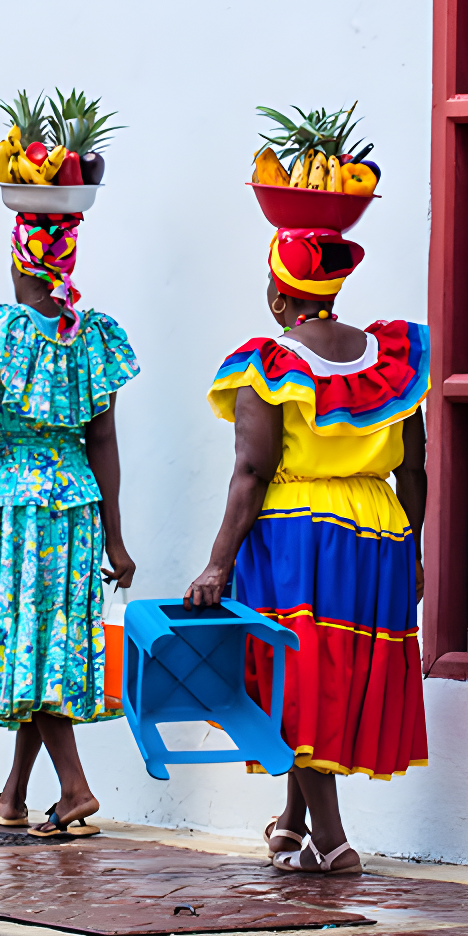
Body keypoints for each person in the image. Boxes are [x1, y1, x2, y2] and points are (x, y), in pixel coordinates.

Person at [186, 228, 429, 875]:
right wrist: (416, 550)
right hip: (380, 529)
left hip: (297, 530)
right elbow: (417, 467)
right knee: (331, 674)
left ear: (277, 294)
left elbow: (251, 470)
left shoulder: (266, 364)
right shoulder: (394, 357)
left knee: (295, 681)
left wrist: (217, 562)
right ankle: (292, 822)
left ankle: (332, 837)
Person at [0, 212, 139, 838]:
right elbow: (103, 440)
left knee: (28, 642)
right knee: (48, 642)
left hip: (17, 503)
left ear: (20, 258)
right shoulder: (91, 336)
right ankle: (16, 793)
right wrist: (117, 538)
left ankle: (74, 789)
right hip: (75, 503)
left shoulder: (0, 330)